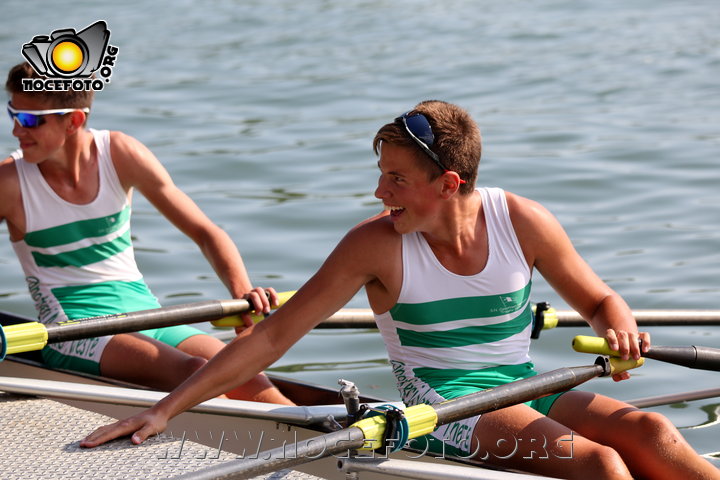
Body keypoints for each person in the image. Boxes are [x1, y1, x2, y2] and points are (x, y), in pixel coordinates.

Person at [81, 100, 718, 479]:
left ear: (447, 183)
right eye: (379, 175)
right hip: (443, 411)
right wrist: (167, 408)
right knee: (600, 466)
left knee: (655, 432)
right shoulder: (376, 243)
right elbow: (275, 334)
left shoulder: (522, 219)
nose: (380, 192)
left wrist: (622, 326)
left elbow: (602, 300)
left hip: (526, 384)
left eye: (395, 179)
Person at [0, 62, 292, 405]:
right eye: (13, 115)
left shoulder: (120, 154)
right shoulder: (9, 183)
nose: (18, 131)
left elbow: (205, 231)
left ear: (74, 121)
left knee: (245, 371)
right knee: (193, 371)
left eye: (32, 120)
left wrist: (244, 296)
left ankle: (333, 448)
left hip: (146, 312)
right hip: (71, 328)